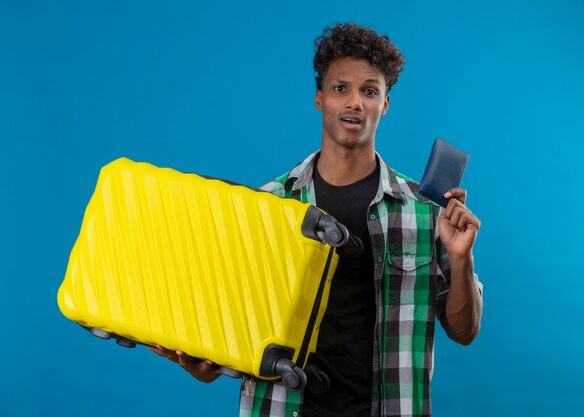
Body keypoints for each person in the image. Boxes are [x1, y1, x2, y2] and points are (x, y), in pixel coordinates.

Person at [149, 22, 483, 417]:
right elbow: (234, 325)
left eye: (370, 91)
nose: (355, 102)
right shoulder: (266, 206)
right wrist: (206, 364)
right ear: (319, 98)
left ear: (386, 104)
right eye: (340, 88)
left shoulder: (425, 211)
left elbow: (464, 332)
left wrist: (461, 258)